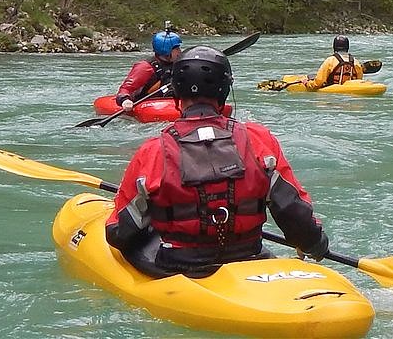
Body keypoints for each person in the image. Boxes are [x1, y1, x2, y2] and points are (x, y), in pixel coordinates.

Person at [104, 46, 330, 278]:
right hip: (248, 257)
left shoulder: (152, 151)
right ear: (223, 91)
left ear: (176, 93)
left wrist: (156, 218)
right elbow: (292, 209)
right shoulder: (259, 140)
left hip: (180, 266)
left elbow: (119, 232)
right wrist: (315, 243)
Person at [115, 26, 182, 111]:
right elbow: (126, 89)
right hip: (148, 104)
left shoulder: (179, 64)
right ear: (166, 50)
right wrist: (125, 100)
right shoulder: (145, 67)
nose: (180, 51)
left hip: (170, 100)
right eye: (177, 49)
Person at [307, 35, 372, 89]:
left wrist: (307, 83)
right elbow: (359, 81)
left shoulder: (330, 60)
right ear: (347, 47)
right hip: (350, 94)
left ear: (334, 47)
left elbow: (318, 83)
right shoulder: (356, 62)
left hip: (332, 95)